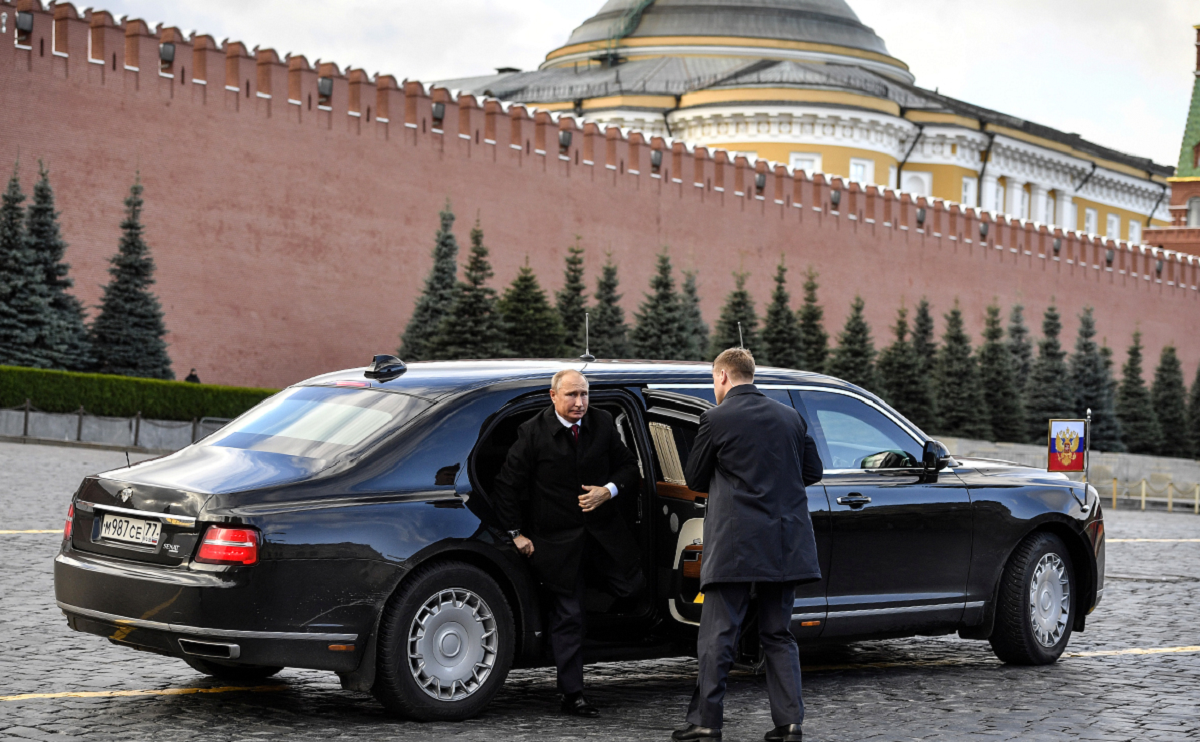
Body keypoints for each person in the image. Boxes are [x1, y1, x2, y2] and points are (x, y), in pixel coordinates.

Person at [672, 348, 824, 742]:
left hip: (736, 543)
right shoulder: (791, 417)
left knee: (718, 634)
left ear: (722, 376)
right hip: (785, 541)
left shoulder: (716, 418)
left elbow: (694, 478)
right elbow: (813, 471)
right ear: (750, 375)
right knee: (778, 634)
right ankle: (789, 724)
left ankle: (707, 722)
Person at [492, 368, 645, 718]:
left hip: (603, 537)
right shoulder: (532, 433)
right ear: (553, 396)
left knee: (633, 587)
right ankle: (572, 694)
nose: (580, 403)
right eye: (572, 395)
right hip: (556, 543)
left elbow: (629, 467)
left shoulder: (603, 422)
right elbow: (506, 485)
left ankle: (577, 632)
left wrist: (608, 491)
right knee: (570, 615)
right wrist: (516, 534)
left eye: (584, 395)